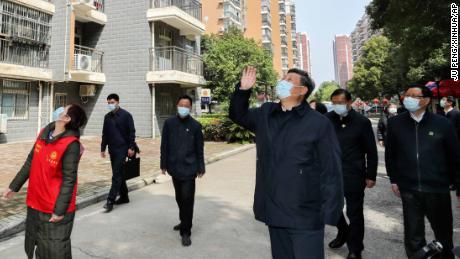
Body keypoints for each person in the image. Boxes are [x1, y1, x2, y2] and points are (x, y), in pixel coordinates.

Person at [229, 67, 343, 259]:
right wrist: (243, 90)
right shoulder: (266, 114)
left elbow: (331, 169)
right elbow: (237, 114)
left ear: (301, 90)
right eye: (282, 77)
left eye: (288, 79)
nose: (281, 81)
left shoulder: (318, 123)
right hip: (274, 210)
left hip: (305, 214)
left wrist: (330, 212)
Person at [2, 104, 87, 259]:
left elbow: (69, 180)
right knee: (38, 246)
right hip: (36, 202)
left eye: (64, 110)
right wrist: (14, 186)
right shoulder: (44, 133)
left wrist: (59, 211)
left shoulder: (71, 144)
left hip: (53, 207)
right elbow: (30, 162)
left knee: (55, 251)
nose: (59, 110)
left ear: (67, 119)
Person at [385, 85, 460, 259]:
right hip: (409, 188)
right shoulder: (396, 123)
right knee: (413, 234)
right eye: (407, 94)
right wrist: (394, 179)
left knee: (443, 233)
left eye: (414, 96)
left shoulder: (443, 123)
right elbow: (391, 155)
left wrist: (458, 187)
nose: (407, 98)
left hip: (437, 188)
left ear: (426, 100)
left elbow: (455, 157)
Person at [325, 89, 378, 259]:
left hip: (354, 175)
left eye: (340, 102)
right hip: (330, 175)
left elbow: (371, 151)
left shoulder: (362, 122)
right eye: (334, 102)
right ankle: (343, 231)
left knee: (354, 213)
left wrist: (371, 175)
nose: (337, 106)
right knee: (330, 209)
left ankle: (355, 248)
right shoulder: (326, 120)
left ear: (349, 102)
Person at [160, 95, 205, 247]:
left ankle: (186, 232)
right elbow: (164, 145)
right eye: (181, 105)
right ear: (177, 105)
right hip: (174, 167)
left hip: (190, 169)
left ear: (190, 108)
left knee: (187, 199)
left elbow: (200, 148)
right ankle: (183, 221)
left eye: (186, 105)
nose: (183, 107)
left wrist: (201, 167)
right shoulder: (169, 123)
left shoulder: (196, 126)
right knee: (179, 198)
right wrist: (163, 164)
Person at [101, 93, 137, 212]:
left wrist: (131, 147)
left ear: (118, 102)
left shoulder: (126, 115)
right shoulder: (107, 117)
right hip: (113, 149)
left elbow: (131, 132)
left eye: (112, 102)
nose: (110, 105)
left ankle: (110, 200)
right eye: (108, 103)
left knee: (116, 174)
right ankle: (124, 196)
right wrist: (103, 148)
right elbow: (105, 134)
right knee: (119, 172)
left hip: (123, 149)